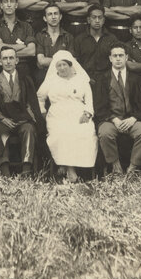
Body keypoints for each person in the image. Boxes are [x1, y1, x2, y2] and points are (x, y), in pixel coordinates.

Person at [37, 50, 97, 183]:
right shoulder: (51, 80)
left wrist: (87, 113)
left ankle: (66, 165)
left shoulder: (81, 79)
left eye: (65, 65)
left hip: (79, 113)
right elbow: (40, 96)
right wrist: (43, 111)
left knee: (85, 132)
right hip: (56, 115)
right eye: (59, 65)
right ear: (55, 67)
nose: (62, 68)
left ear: (71, 65)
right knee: (63, 133)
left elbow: (89, 99)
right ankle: (71, 171)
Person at [94, 44, 141, 175]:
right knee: (104, 134)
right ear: (110, 58)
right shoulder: (103, 79)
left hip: (131, 119)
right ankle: (116, 166)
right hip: (110, 120)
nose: (118, 58)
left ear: (126, 57)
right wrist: (114, 119)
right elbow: (99, 106)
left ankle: (132, 167)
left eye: (121, 55)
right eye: (115, 56)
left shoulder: (136, 79)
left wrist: (133, 119)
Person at [0, 48, 43, 176]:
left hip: (23, 120)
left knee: (29, 129)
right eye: (5, 58)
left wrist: (28, 118)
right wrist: (3, 119)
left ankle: (26, 169)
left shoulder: (25, 79)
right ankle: (4, 170)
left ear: (17, 60)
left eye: (11, 58)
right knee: (1, 132)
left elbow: (31, 104)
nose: (8, 61)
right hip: (3, 120)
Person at [71, 4, 120, 81]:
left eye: (100, 17)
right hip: (84, 79)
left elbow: (117, 61)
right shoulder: (79, 39)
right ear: (88, 20)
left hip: (107, 81)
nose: (97, 20)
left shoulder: (112, 39)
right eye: (94, 17)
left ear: (103, 20)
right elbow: (75, 63)